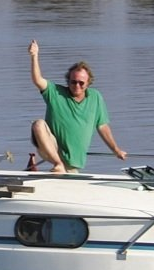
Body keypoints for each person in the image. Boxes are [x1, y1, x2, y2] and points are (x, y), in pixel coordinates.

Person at [28, 39, 126, 173]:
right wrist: (34, 56)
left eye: (81, 83)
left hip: (74, 162)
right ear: (68, 81)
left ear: (88, 83)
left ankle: (62, 168)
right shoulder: (55, 92)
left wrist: (115, 150)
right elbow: (37, 80)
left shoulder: (95, 97)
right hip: (52, 151)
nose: (77, 86)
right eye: (73, 82)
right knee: (38, 124)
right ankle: (58, 164)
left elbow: (102, 126)